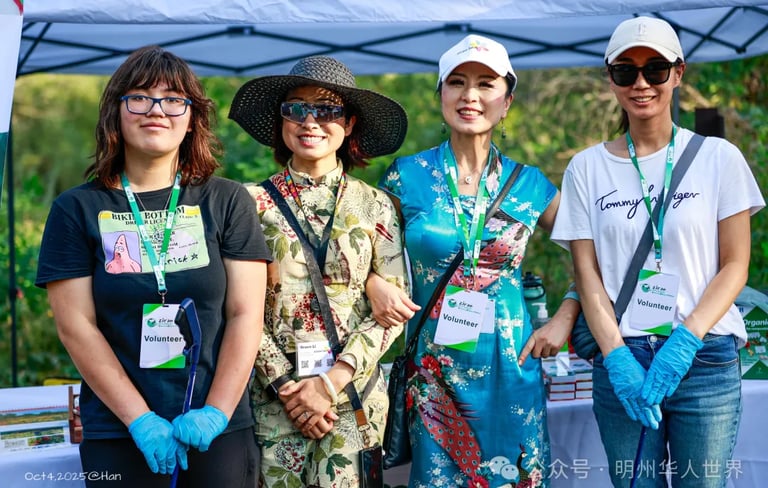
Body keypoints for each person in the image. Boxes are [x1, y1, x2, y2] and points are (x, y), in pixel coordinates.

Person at [35, 45, 271, 487]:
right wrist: (139, 419)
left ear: (192, 117)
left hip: (218, 429)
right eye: (140, 98)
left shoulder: (227, 201)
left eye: (173, 99)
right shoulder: (76, 209)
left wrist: (216, 412)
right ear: (116, 112)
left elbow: (246, 314)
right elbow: (76, 326)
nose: (156, 111)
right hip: (117, 428)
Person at [551, 17, 765, 488]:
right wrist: (615, 356)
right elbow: (586, 274)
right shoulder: (586, 168)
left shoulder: (719, 158)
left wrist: (686, 339)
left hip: (704, 355)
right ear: (610, 78)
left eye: (655, 69)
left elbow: (735, 264)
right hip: (623, 352)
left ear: (678, 73)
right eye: (625, 71)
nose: (641, 83)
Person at [376, 34, 580, 488]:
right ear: (441, 96)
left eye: (486, 84)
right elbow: (365, 256)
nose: (470, 95)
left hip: (512, 370)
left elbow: (597, 255)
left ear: (506, 102)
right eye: (457, 82)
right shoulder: (406, 177)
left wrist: (564, 318)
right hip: (434, 378)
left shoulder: (530, 186)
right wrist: (375, 283)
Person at [228, 55, 411, 487]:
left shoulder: (376, 205)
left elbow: (394, 312)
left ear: (348, 123)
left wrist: (329, 384)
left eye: (326, 109)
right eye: (296, 108)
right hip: (277, 402)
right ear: (282, 120)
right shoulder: (249, 203)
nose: (310, 121)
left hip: (354, 399)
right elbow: (238, 307)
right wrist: (289, 389)